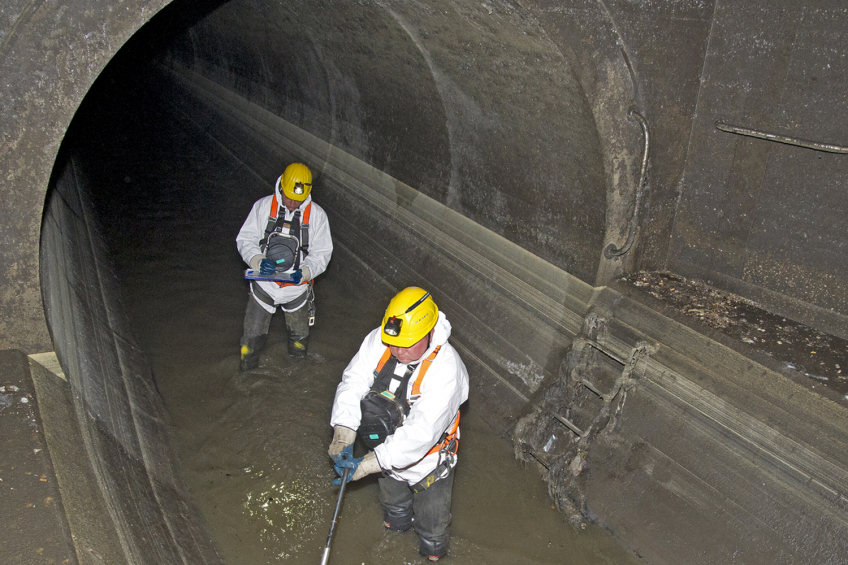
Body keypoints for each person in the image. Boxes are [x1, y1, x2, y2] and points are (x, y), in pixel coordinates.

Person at [328, 287, 469, 561]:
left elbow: (421, 433)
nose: (397, 350)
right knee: (394, 513)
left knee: (432, 532)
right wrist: (343, 433)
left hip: (428, 466)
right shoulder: (384, 339)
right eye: (392, 343)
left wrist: (367, 464)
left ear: (428, 332)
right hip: (384, 457)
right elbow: (354, 381)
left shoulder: (447, 371)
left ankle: (432, 552)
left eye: (406, 345)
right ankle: (395, 535)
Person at [236, 162, 332, 370]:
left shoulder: (317, 216)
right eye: (288, 197)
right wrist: (258, 261)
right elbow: (245, 240)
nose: (291, 203)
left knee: (299, 346)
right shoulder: (262, 207)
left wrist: (306, 272)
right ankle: (246, 378)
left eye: (298, 200)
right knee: (250, 344)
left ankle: (297, 379)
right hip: (264, 287)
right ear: (281, 188)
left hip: (296, 292)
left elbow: (322, 254)